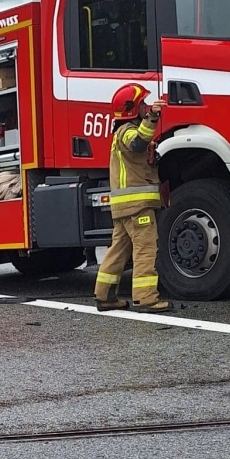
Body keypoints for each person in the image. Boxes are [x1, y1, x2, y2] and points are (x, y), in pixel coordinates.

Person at [94, 83, 169, 312]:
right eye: (143, 105)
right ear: (132, 109)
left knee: (118, 250)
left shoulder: (118, 134)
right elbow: (138, 143)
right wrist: (153, 118)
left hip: (124, 207)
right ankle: (146, 298)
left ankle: (104, 295)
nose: (146, 107)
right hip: (137, 206)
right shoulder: (127, 131)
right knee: (145, 249)